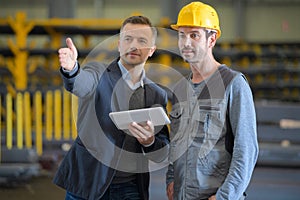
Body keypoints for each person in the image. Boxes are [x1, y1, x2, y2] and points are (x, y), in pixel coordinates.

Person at [53, 15, 170, 200]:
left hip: (130, 187)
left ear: (151, 50)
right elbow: (81, 83)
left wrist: (149, 142)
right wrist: (72, 69)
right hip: (87, 183)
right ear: (119, 44)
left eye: (142, 41)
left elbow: (162, 153)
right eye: (128, 39)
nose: (133, 45)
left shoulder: (156, 95)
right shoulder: (97, 73)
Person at [166, 2, 259, 200]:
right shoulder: (181, 89)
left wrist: (225, 196)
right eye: (181, 35)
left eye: (194, 35)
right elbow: (177, 142)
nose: (186, 43)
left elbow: (247, 150)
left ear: (212, 39)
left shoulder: (233, 84)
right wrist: (171, 179)